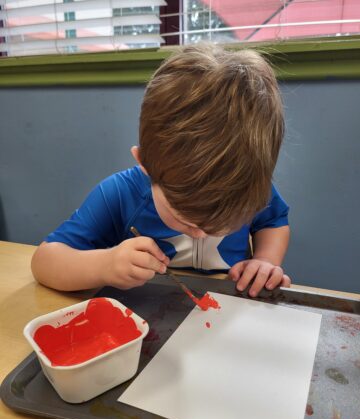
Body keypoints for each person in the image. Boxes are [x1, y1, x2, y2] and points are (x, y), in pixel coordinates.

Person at [31, 43, 291, 298]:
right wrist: (104, 265)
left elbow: (273, 221)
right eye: (186, 219)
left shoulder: (250, 187)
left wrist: (265, 260)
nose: (202, 233)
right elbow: (44, 262)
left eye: (222, 223)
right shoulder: (120, 194)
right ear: (145, 164)